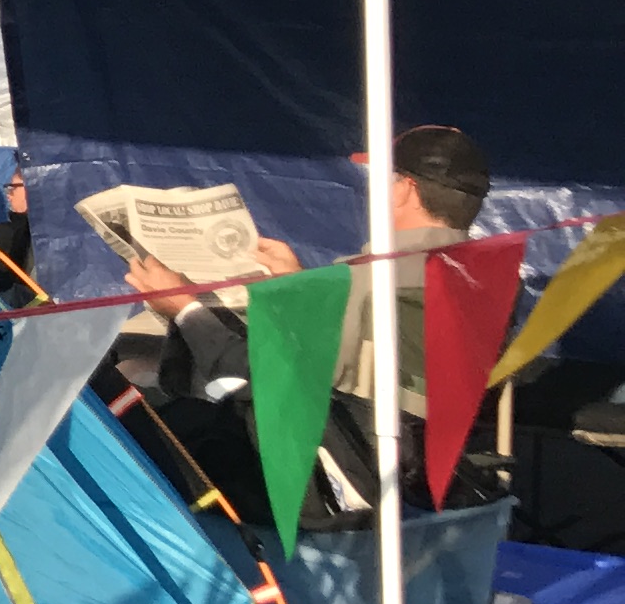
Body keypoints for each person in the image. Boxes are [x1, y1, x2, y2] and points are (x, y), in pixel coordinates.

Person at [126, 125, 492, 524]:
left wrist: (186, 310)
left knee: (159, 425)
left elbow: (266, 378)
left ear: (403, 189)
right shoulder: (480, 277)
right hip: (417, 467)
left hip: (340, 475)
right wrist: (298, 282)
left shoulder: (375, 280)